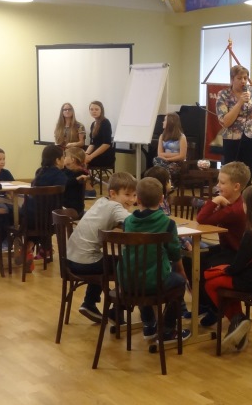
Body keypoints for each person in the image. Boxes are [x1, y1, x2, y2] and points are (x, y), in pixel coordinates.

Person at [202, 185, 252, 353]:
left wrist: (224, 270)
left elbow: (237, 267)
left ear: (247, 207)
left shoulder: (251, 233)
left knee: (210, 282)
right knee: (216, 278)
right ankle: (238, 323)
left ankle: (237, 319)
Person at [123, 177, 190, 343]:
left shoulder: (127, 222)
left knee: (142, 273)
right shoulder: (167, 223)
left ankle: (149, 324)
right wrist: (181, 271)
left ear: (138, 199)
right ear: (162, 199)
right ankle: (168, 329)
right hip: (155, 281)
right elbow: (174, 253)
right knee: (178, 282)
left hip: (127, 280)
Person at [71, 172, 138, 323]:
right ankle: (117, 309)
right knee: (129, 265)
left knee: (107, 259)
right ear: (113, 194)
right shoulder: (115, 207)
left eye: (134, 195)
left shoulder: (101, 201)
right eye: (127, 195)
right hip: (85, 263)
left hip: (71, 259)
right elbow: (136, 223)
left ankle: (90, 302)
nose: (132, 200)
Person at [194, 160, 251, 326]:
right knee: (193, 259)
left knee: (203, 265)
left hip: (237, 254)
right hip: (229, 249)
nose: (218, 185)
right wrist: (218, 201)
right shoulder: (231, 203)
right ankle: (205, 304)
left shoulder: (234, 210)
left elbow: (202, 219)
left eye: (222, 183)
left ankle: (214, 308)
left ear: (236, 187)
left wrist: (215, 200)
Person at [216, 64, 252, 167]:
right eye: (239, 78)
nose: (243, 81)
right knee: (232, 171)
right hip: (232, 140)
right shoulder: (223, 94)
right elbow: (225, 122)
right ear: (232, 79)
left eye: (245, 78)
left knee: (250, 170)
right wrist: (240, 102)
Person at [153, 112, 187, 181]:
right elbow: (159, 154)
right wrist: (177, 154)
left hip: (177, 162)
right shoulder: (162, 136)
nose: (163, 122)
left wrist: (168, 159)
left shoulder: (181, 137)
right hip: (165, 162)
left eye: (165, 120)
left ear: (170, 122)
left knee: (166, 169)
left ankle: (166, 183)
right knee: (156, 160)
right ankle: (165, 182)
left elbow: (182, 156)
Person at [84, 100, 114, 172]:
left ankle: (85, 178)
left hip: (105, 156)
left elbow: (106, 144)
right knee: (79, 159)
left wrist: (90, 157)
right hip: (95, 154)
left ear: (101, 111)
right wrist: (86, 154)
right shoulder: (93, 124)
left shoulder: (105, 122)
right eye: (91, 109)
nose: (94, 111)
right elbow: (92, 143)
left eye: (96, 109)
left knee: (79, 162)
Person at [62, 145, 91, 216]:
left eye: (65, 156)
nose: (63, 158)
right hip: (68, 206)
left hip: (73, 209)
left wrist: (76, 179)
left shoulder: (79, 173)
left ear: (72, 159)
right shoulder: (66, 170)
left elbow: (65, 183)